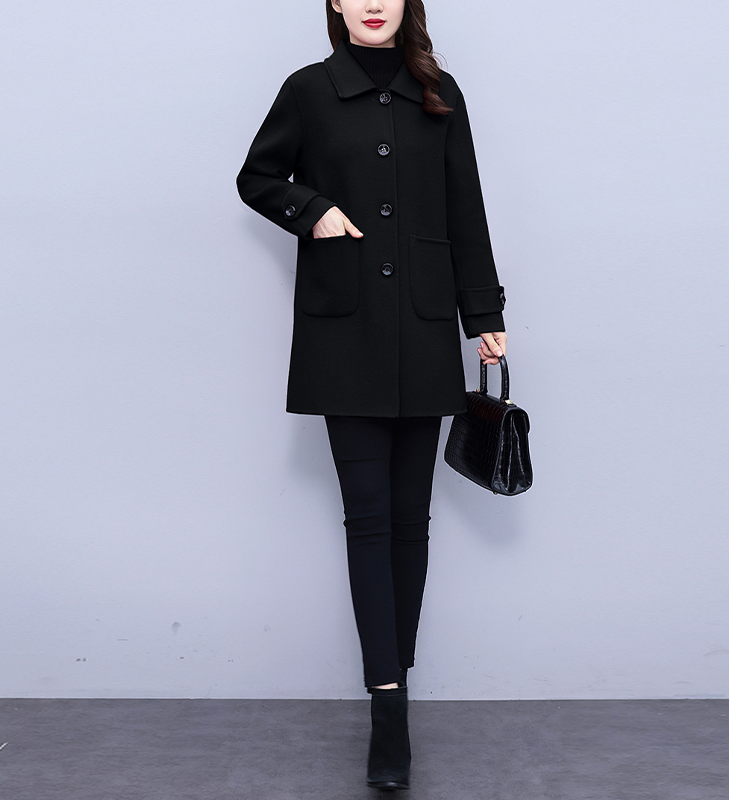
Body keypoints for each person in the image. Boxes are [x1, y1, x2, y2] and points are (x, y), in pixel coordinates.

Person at [236, 0, 507, 790]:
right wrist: (312, 209)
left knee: (411, 522)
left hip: (423, 328)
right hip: (344, 333)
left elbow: (465, 206)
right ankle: (388, 707)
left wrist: (483, 315)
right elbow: (257, 176)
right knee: (369, 520)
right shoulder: (309, 90)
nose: (373, 3)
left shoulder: (440, 93)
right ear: (336, 4)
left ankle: (398, 684)